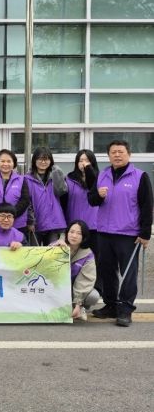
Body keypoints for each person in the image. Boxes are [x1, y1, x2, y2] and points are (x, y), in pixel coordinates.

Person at [89, 140, 153, 327]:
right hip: (104, 232)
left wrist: (145, 233)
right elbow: (91, 200)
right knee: (107, 271)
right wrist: (98, 195)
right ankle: (111, 305)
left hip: (128, 234)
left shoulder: (139, 176)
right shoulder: (102, 175)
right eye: (113, 152)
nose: (117, 155)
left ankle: (125, 309)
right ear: (108, 156)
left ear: (129, 154)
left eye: (121, 152)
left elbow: (147, 205)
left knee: (128, 274)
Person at [54, 220, 99, 322]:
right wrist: (56, 249)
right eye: (72, 232)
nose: (74, 236)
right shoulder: (57, 245)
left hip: (74, 288)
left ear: (84, 237)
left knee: (93, 296)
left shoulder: (88, 254)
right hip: (56, 287)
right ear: (67, 233)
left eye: (79, 233)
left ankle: (80, 308)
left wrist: (78, 304)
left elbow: (85, 280)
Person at [25, 146, 67, 246]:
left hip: (54, 224)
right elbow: (27, 202)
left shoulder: (55, 175)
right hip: (36, 223)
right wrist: (30, 221)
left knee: (53, 252)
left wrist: (58, 174)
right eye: (40, 159)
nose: (43, 162)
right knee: (34, 252)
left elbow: (62, 192)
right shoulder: (27, 179)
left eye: (46, 159)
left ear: (51, 161)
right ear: (34, 160)